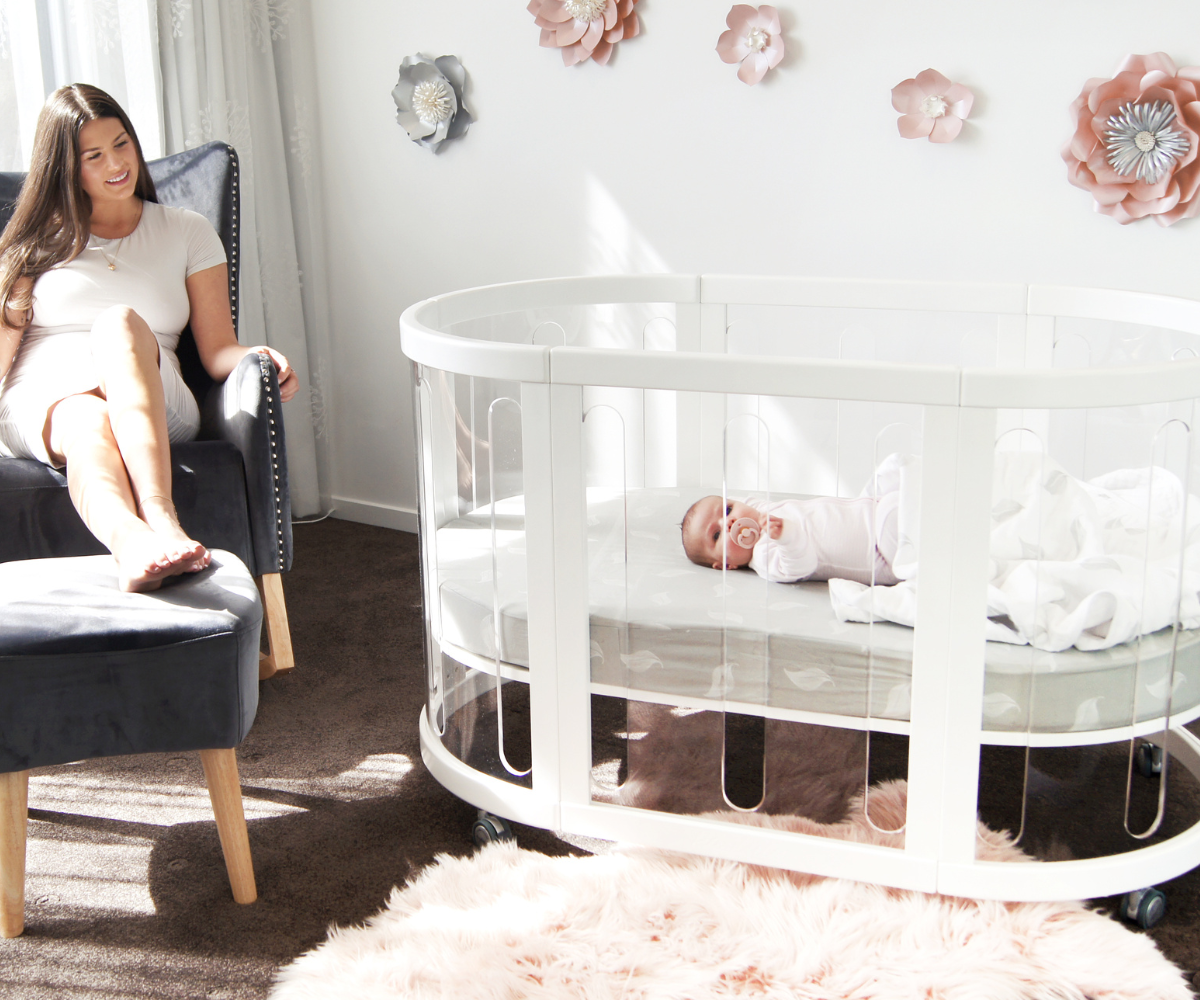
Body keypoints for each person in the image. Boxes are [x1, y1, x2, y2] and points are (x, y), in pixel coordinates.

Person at [0, 84, 298, 592]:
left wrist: (259, 356)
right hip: (43, 397)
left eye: (121, 144)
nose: (116, 163)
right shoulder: (32, 242)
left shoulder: (187, 231)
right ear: (66, 167)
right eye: (94, 156)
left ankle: (162, 518)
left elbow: (217, 350)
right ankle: (134, 545)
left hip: (154, 391)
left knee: (119, 322)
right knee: (87, 419)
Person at [680, 492, 900, 586]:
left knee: (897, 482)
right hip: (882, 551)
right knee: (897, 511)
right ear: (726, 565)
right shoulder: (763, 555)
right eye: (717, 534)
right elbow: (801, 566)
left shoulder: (760, 512)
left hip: (875, 511)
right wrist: (786, 537)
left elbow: (745, 503)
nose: (728, 522)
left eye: (727, 510)